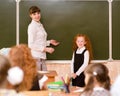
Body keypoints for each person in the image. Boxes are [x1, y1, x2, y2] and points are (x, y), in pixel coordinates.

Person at [28, 6, 59, 71]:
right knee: (38, 80)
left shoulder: (40, 25)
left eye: (38, 13)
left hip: (41, 57)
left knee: (43, 79)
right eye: (34, 14)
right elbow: (31, 45)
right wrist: (45, 49)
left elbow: (39, 41)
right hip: (36, 58)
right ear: (30, 15)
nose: (37, 15)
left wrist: (49, 42)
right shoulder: (32, 27)